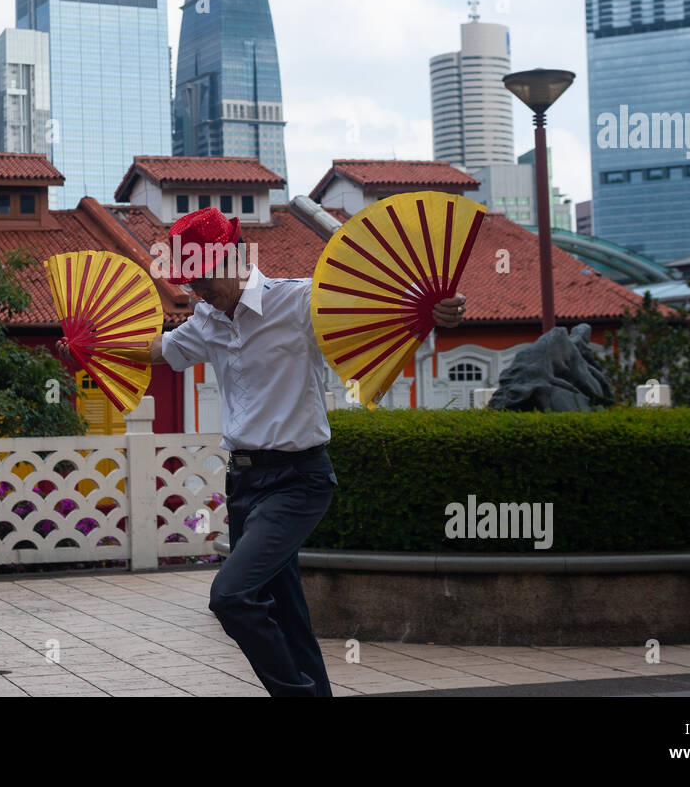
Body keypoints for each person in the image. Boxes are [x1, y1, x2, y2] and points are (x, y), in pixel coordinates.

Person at [62, 206, 467, 696]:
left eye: (203, 276)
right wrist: (92, 344)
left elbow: (377, 316)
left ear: (233, 259)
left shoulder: (299, 302)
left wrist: (434, 314)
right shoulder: (206, 321)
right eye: (189, 279)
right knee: (286, 609)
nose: (196, 289)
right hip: (244, 484)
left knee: (230, 597)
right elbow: (156, 350)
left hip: (299, 480)